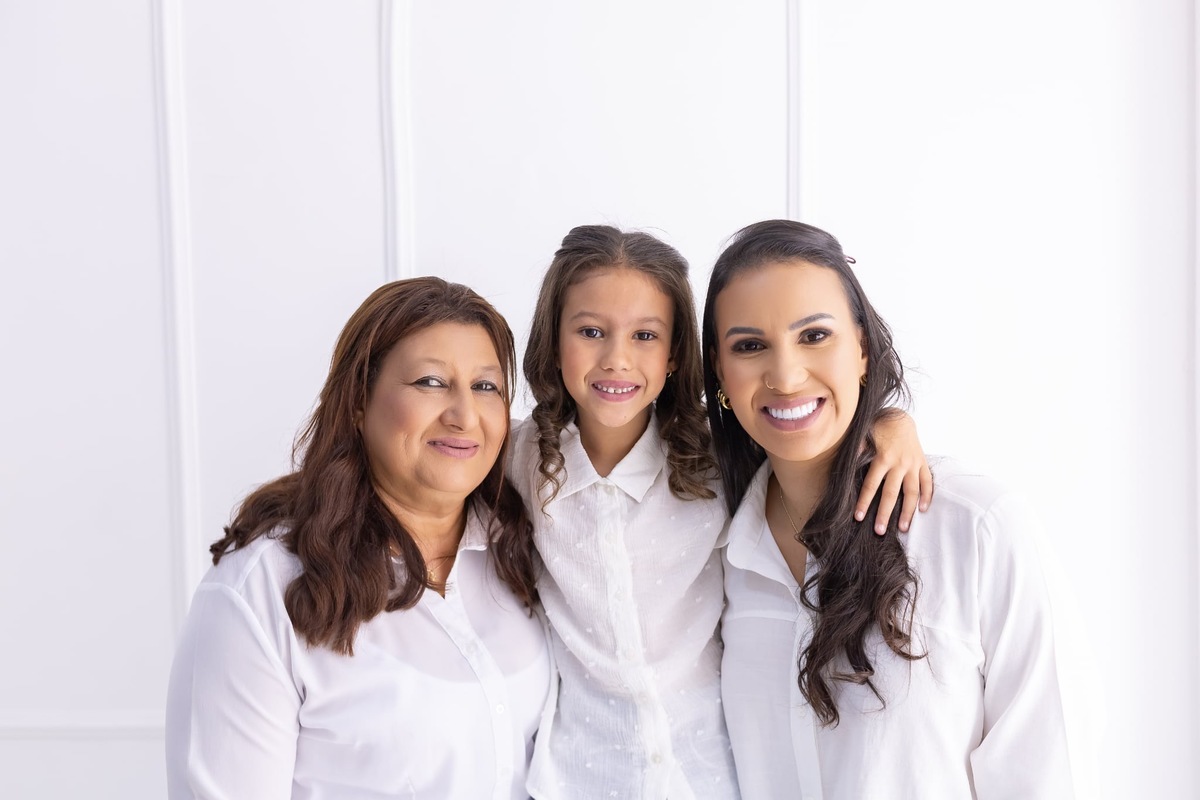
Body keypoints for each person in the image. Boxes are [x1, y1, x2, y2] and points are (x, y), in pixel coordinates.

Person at [513, 225, 932, 799]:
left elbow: (801, 424)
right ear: (553, 340)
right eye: (590, 332)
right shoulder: (516, 459)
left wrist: (892, 423)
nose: (617, 359)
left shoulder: (715, 458)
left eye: (645, 335)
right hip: (579, 780)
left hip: (709, 778)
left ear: (675, 354)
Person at [704, 220, 1074, 798]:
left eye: (815, 335)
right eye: (749, 346)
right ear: (720, 373)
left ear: (862, 348)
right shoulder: (713, 543)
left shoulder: (973, 526)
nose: (786, 375)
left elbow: (1039, 770)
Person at [165, 278, 552, 800]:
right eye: (431, 382)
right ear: (358, 403)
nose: (464, 415)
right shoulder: (261, 588)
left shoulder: (522, 550)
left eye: (486, 387)